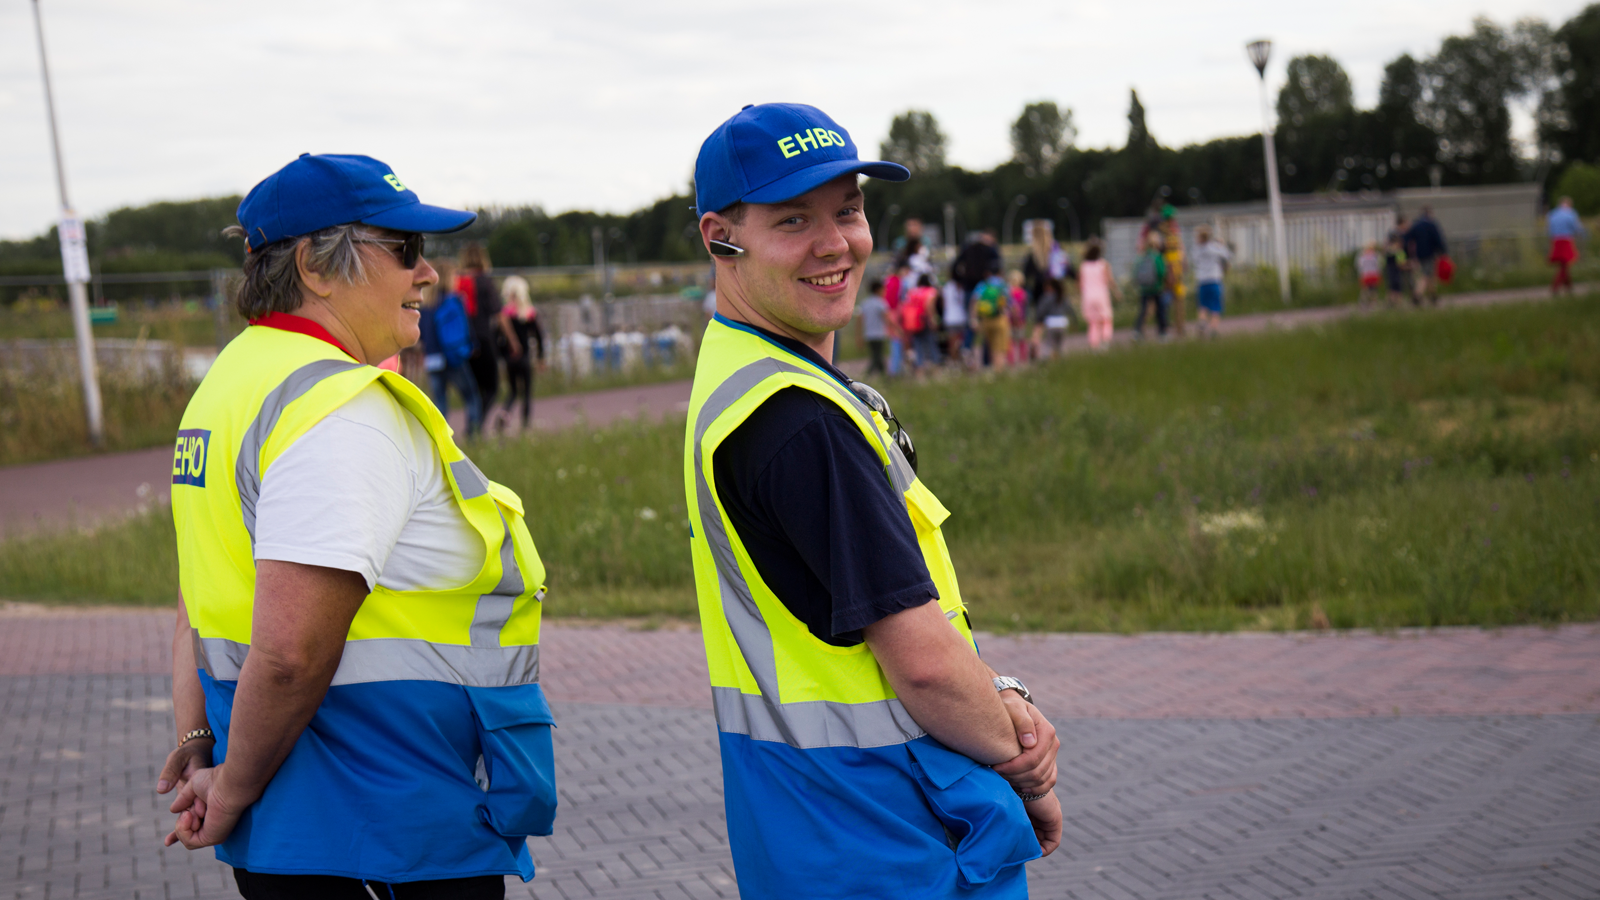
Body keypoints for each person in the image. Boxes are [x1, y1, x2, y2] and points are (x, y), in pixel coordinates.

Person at [687, 102, 1061, 900]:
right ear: (722, 236)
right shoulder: (800, 423)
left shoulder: (740, 378)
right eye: (794, 220)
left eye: (848, 210)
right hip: (897, 841)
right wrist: (1025, 762)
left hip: (812, 835)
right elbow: (923, 668)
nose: (836, 244)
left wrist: (995, 691)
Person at [161, 153, 557, 898]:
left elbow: (197, 595)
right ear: (316, 264)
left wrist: (200, 739)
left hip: (300, 830)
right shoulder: (341, 408)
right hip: (385, 826)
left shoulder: (235, 378)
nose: (428, 274)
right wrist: (232, 789)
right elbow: (288, 653)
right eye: (404, 250)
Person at [419, 260, 484, 437]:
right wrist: (472, 346)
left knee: (440, 403)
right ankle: (473, 435)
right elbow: (465, 327)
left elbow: (421, 335)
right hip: (453, 356)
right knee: (471, 396)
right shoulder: (453, 300)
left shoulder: (425, 304)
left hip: (432, 359)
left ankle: (440, 440)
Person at [458, 243, 521, 409]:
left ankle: (473, 425)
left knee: (475, 388)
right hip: (484, 338)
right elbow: (499, 314)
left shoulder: (458, 282)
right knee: (492, 388)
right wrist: (513, 340)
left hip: (463, 340)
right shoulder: (485, 282)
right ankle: (477, 427)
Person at [499, 274, 545, 431]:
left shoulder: (505, 314)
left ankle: (504, 413)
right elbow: (539, 337)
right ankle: (525, 426)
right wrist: (540, 357)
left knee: (512, 391)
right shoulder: (529, 313)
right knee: (526, 392)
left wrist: (503, 356)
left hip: (510, 359)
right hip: (524, 358)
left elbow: (497, 338)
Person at [1023, 223, 1072, 359]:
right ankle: (1054, 352)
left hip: (1039, 290)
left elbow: (1026, 275)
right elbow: (1067, 269)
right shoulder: (1056, 251)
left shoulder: (1032, 255)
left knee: (1039, 322)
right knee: (1055, 320)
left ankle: (1035, 341)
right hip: (1056, 290)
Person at [1078, 238, 1120, 350]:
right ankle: (1105, 341)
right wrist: (1116, 292)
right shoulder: (1103, 264)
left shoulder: (1084, 266)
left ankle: (1094, 344)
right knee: (1106, 320)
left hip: (1088, 296)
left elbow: (1080, 284)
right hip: (1101, 295)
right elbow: (1110, 280)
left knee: (1093, 322)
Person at [1190, 226, 1232, 336]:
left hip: (1202, 281)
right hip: (1214, 280)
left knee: (1203, 306)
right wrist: (1221, 244)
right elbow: (1227, 255)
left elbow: (1194, 261)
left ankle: (1202, 323)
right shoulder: (1214, 247)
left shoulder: (1197, 249)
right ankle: (1214, 329)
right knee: (1215, 307)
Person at [1404, 207, 1447, 306]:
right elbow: (1438, 239)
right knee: (1426, 275)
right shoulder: (1432, 225)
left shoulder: (1416, 225)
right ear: (1430, 213)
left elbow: (1407, 238)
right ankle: (1417, 295)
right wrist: (1443, 252)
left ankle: (1433, 296)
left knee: (1431, 275)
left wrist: (1407, 253)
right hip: (1430, 254)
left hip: (1420, 254)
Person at [971, 271, 1013, 368]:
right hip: (1000, 319)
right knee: (1000, 348)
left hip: (986, 319)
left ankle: (993, 367)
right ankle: (999, 370)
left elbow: (975, 301)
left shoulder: (983, 284)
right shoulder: (1003, 285)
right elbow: (1008, 302)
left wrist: (974, 318)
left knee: (991, 347)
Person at [1547, 196, 1587, 296]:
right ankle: (1555, 288)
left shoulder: (1552, 214)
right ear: (1569, 204)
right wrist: (1583, 235)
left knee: (1563, 265)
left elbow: (1549, 229)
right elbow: (1576, 227)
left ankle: (1568, 288)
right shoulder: (1570, 213)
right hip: (1566, 240)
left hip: (1555, 240)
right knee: (1564, 265)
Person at [901, 273, 940, 372]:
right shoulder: (931, 291)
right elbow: (929, 306)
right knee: (931, 343)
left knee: (918, 345)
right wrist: (933, 319)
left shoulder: (913, 291)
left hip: (913, 322)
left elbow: (906, 305)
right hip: (924, 320)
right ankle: (935, 366)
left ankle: (920, 368)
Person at [1134, 231, 1169, 339]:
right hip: (1156, 287)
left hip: (1144, 288)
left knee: (1143, 310)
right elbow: (1161, 272)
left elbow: (1136, 271)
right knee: (1160, 310)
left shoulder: (1143, 256)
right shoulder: (1157, 256)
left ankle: (1138, 331)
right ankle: (1162, 332)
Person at [1160, 207, 1187, 336]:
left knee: (1177, 298)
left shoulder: (1171, 231)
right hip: (1171, 268)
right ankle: (1172, 327)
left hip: (1174, 267)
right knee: (1172, 298)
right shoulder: (1165, 232)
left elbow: (1181, 249)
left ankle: (1179, 327)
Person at [857, 278, 890, 375]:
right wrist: (895, 329)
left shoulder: (865, 303)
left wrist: (859, 335)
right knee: (877, 356)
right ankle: (869, 374)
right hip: (879, 334)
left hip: (869, 334)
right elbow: (887, 318)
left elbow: (860, 320)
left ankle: (884, 375)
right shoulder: (881, 303)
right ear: (878, 290)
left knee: (877, 355)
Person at [942, 277, 971, 366]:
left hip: (951, 318)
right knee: (957, 342)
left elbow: (943, 303)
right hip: (959, 318)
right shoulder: (962, 288)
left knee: (953, 343)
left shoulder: (947, 287)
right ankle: (956, 361)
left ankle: (955, 361)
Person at [1385, 218, 1409, 308]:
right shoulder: (1399, 252)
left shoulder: (1388, 252)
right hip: (1397, 272)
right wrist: (1408, 266)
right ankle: (1399, 303)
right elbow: (1401, 264)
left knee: (1391, 288)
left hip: (1390, 272)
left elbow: (1384, 263)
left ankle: (1390, 303)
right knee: (1399, 288)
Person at [1356, 242, 1382, 308]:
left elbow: (1359, 266)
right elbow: (1379, 265)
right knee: (1370, 289)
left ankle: (1368, 302)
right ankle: (1370, 302)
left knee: (1370, 289)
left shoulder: (1362, 257)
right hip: (1370, 274)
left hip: (1368, 274)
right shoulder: (1375, 256)